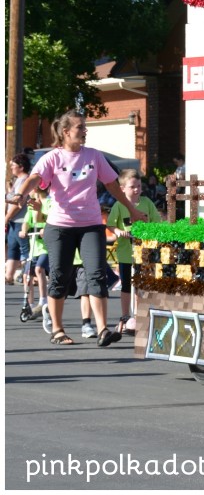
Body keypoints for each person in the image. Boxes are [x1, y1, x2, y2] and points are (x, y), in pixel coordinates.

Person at [8, 110, 148, 347]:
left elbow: (112, 186)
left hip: (91, 225)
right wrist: (20, 194)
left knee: (96, 275)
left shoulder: (93, 156)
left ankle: (103, 329)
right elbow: (35, 178)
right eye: (80, 127)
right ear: (66, 132)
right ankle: (58, 329)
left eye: (84, 127)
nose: (85, 131)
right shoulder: (52, 158)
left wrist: (132, 210)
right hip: (60, 226)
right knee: (60, 277)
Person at [108, 169, 162, 333]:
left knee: (140, 285)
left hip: (144, 252)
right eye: (132, 187)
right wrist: (118, 232)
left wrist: (150, 233)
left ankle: (139, 316)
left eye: (139, 186)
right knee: (126, 286)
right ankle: (125, 317)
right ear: (123, 188)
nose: (137, 189)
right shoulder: (119, 205)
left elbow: (156, 222)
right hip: (126, 253)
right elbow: (111, 224)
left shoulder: (147, 203)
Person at [20, 184, 50, 320]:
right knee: (27, 275)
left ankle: (43, 300)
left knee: (39, 269)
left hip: (46, 246)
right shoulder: (32, 205)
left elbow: (52, 218)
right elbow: (27, 220)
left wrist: (46, 227)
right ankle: (29, 303)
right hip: (34, 246)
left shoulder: (49, 202)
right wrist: (24, 230)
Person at [5, 152, 31, 285]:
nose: (11, 168)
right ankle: (8, 276)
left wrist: (6, 217)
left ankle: (29, 276)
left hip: (22, 221)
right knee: (13, 249)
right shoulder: (18, 180)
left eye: (13, 165)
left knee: (25, 251)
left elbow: (19, 204)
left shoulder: (25, 180)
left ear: (21, 167)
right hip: (14, 222)